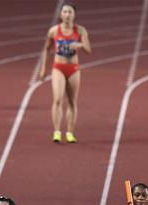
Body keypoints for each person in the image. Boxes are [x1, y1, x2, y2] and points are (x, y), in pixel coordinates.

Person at [39, 3, 91, 143]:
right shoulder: (54, 31)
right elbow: (46, 49)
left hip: (73, 68)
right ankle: (56, 131)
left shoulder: (80, 31)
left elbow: (88, 49)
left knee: (72, 102)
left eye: (70, 12)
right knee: (57, 99)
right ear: (61, 14)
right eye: (65, 12)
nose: (67, 15)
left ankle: (70, 132)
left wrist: (80, 45)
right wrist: (43, 68)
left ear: (74, 15)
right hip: (58, 67)